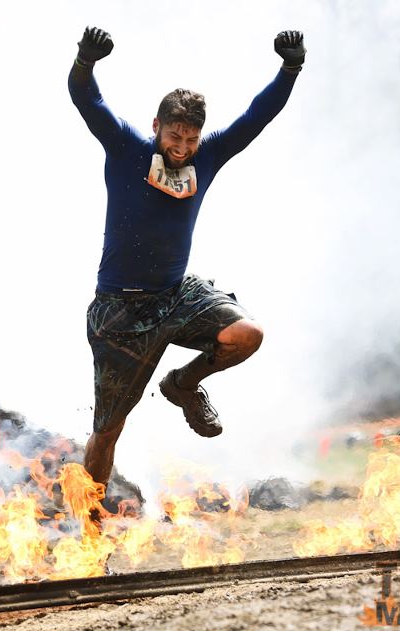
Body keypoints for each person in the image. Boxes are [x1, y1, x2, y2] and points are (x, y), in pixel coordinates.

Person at [68, 27, 305, 489]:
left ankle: (183, 384)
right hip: (120, 310)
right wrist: (85, 61)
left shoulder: (207, 156)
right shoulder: (126, 148)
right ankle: (91, 525)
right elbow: (86, 100)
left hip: (176, 294)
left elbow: (256, 117)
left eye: (191, 140)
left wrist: (290, 69)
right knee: (108, 430)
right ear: (156, 126)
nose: (181, 149)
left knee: (247, 334)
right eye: (175, 136)